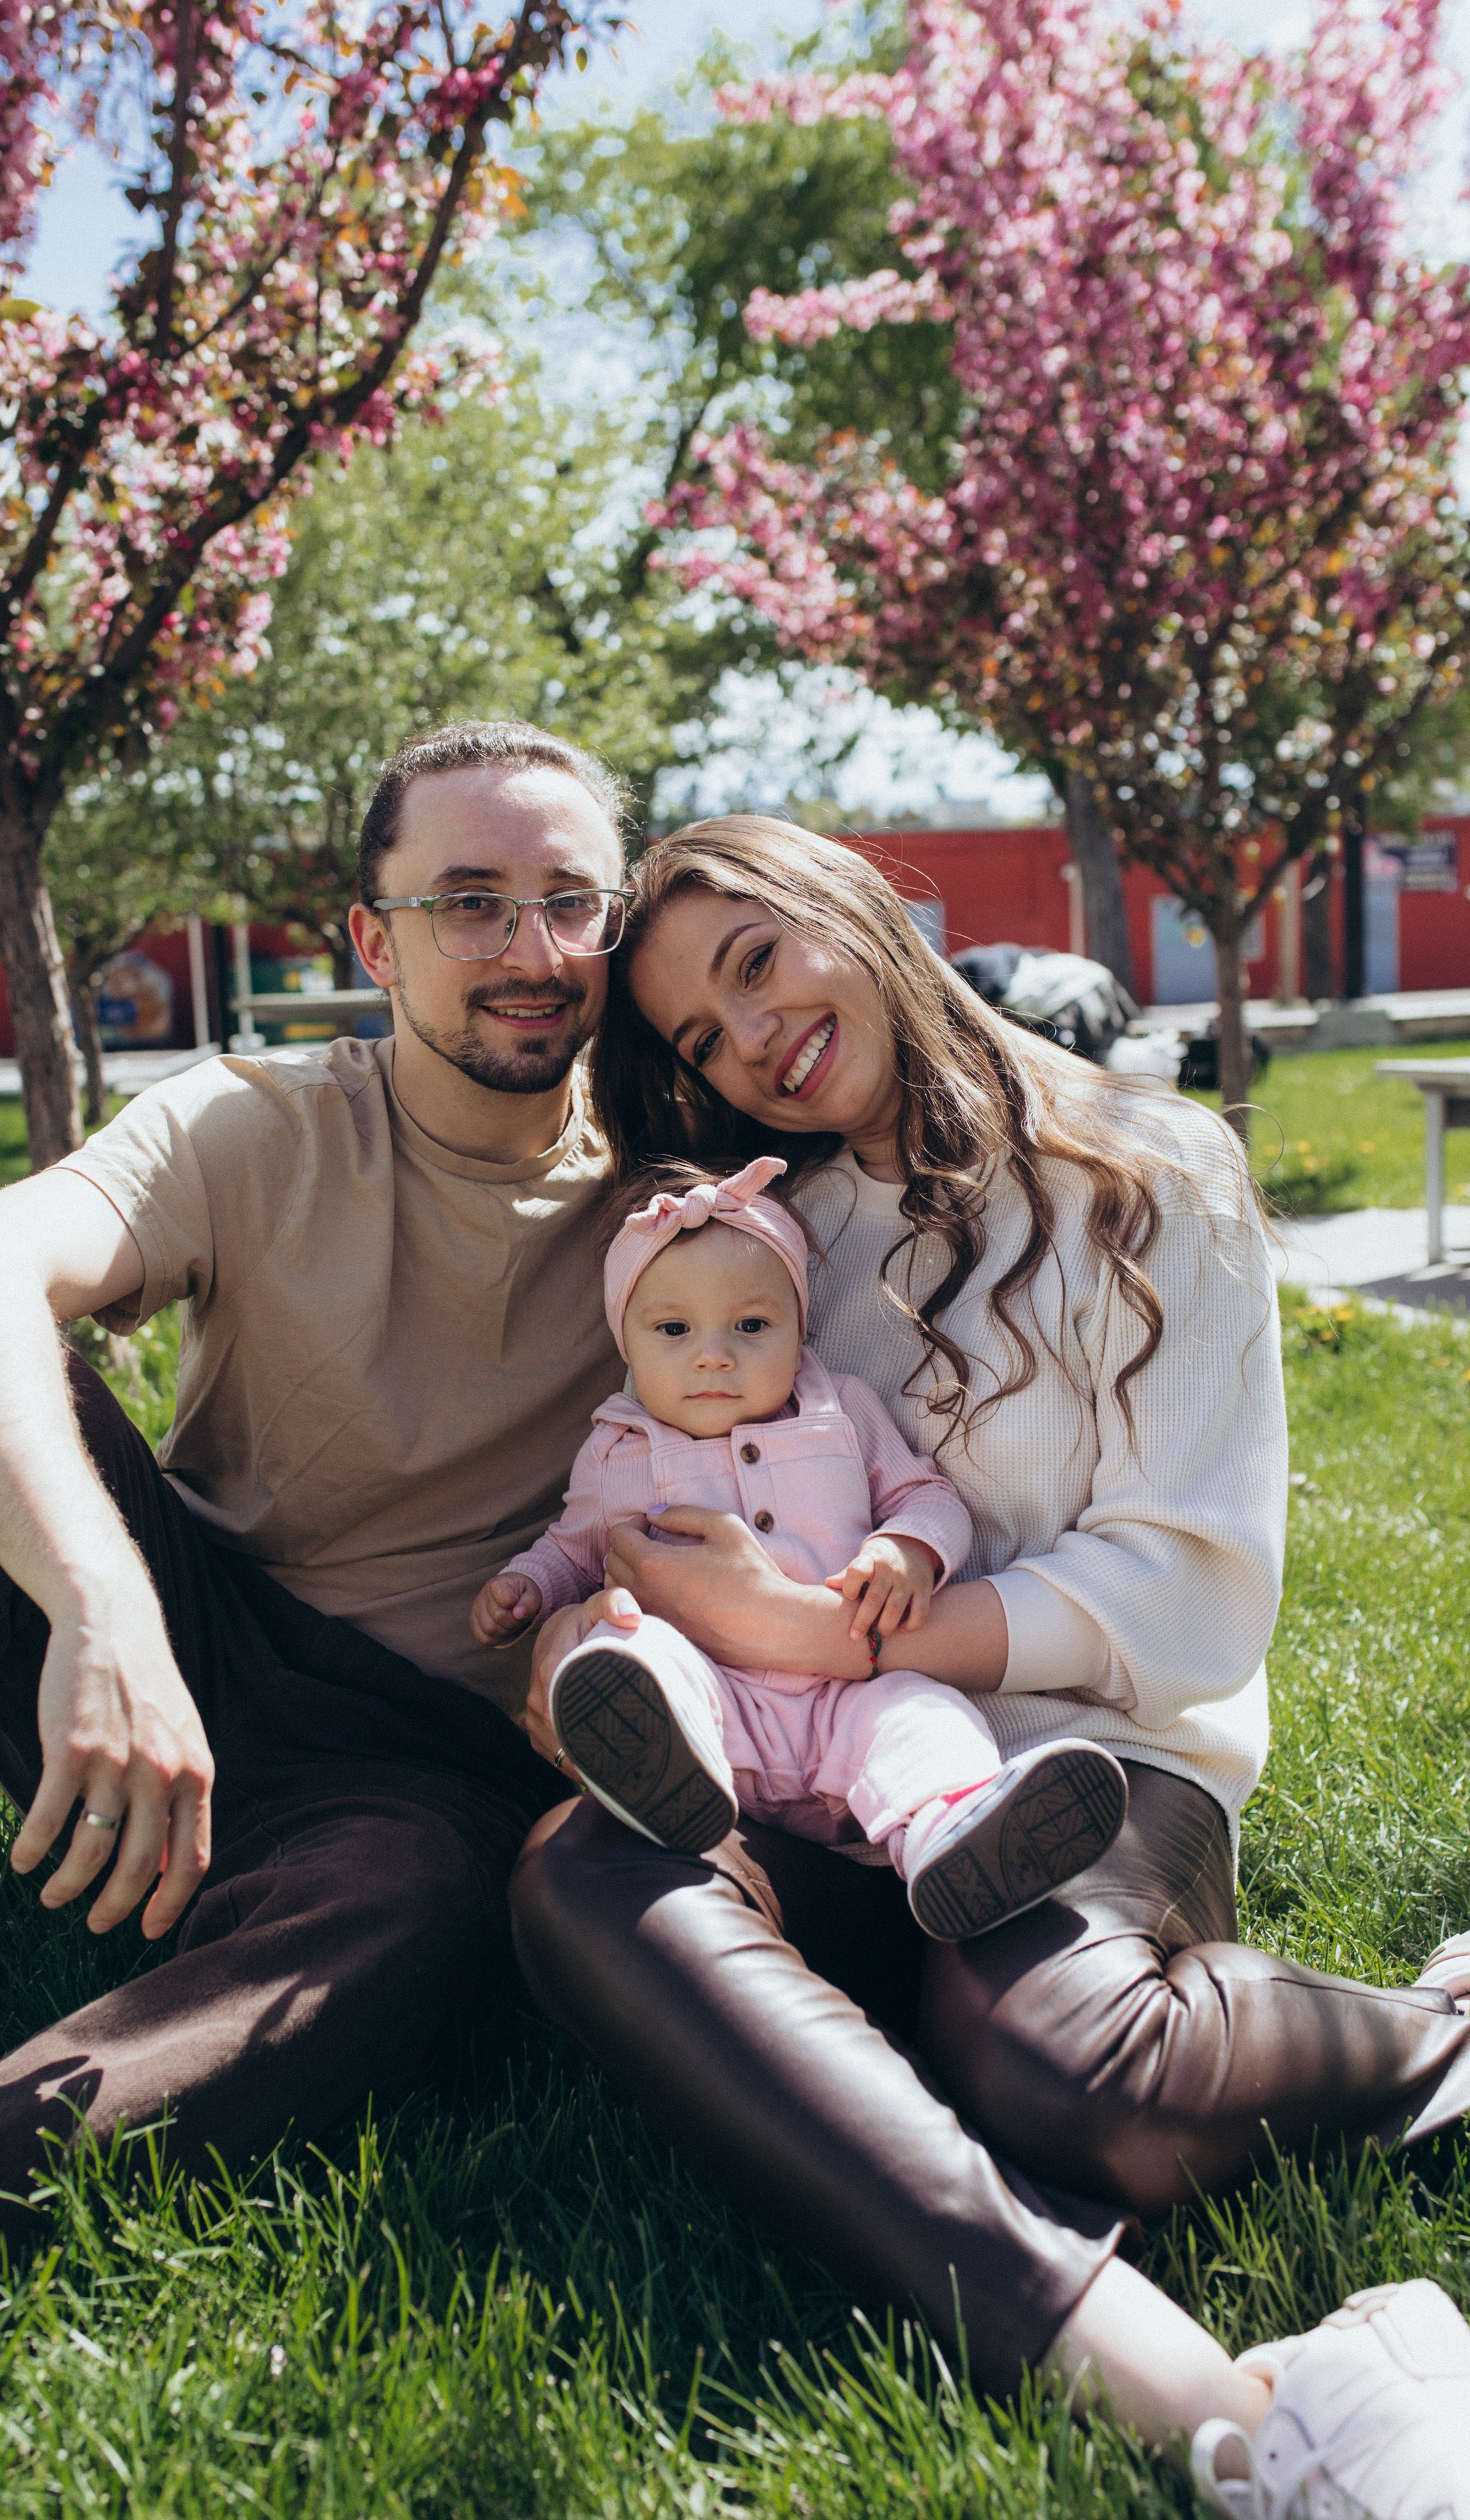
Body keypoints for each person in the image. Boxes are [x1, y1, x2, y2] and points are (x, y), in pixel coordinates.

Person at [509, 816, 1470, 2513]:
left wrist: (825, 1625)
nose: (757, 1044)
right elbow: (674, 1480)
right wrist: (611, 1616)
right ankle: (1184, 2392)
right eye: (702, 1040)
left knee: (1064, 2065)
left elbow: (1191, 1585)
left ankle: (1431, 2032)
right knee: (586, 1876)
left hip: (1078, 1770)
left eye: (756, 963)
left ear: (855, 905)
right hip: (799, 1757)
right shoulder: (769, 1245)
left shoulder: (1151, 1173)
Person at [0, 719, 633, 2248]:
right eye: (468, 900)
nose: (530, 946)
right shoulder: (261, 1116)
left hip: (433, 1761)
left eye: (571, 898)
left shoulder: (690, 1170)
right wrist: (102, 1605)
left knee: (421, 1907)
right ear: (375, 938)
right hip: (194, 1640)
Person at [476, 1152, 1129, 1937]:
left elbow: (924, 1496)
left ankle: (954, 1832)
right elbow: (573, 1546)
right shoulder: (616, 1451)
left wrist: (909, 1550)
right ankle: (670, 1780)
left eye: (751, 1326)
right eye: (674, 1330)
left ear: (800, 1326)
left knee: (918, 1712)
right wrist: (530, 1586)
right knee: (639, 1651)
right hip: (720, 1703)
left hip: (842, 1698)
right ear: (627, 1342)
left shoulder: (839, 1408)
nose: (714, 1354)